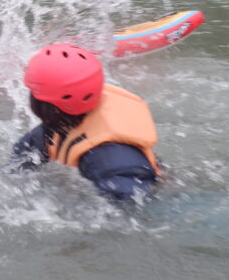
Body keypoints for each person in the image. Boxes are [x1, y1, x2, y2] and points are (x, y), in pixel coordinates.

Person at [8, 43, 160, 200]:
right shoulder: (55, 129)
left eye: (34, 92)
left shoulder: (113, 162)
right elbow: (13, 170)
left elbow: (132, 212)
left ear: (49, 107)